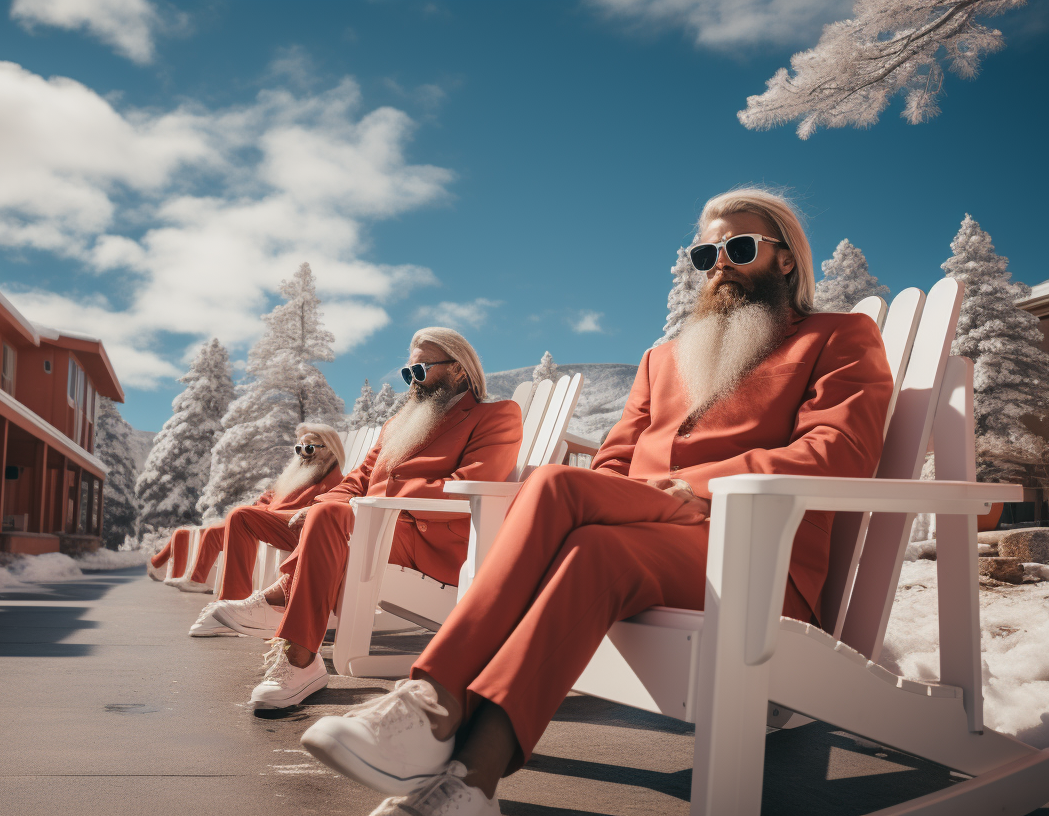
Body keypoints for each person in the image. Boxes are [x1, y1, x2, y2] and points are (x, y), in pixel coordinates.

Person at [298, 188, 895, 816]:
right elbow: (614, 457)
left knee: (554, 485)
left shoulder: (836, 338)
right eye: (705, 253)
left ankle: (433, 704)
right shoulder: (664, 360)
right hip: (644, 539)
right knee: (593, 550)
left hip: (755, 560)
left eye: (738, 247)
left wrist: (695, 486)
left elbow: (838, 449)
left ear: (785, 260)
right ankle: (470, 786)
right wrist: (640, 497)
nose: (719, 262)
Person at [211, 327, 524, 710]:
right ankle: (284, 616)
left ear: (458, 370)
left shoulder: (495, 416)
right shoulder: (400, 424)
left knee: (331, 515)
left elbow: (470, 485)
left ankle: (296, 649)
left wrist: (363, 504)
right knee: (273, 514)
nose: (412, 382)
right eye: (408, 374)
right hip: (370, 527)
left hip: (430, 539)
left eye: (420, 371)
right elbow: (359, 478)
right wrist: (323, 506)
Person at [180, 424, 347, 637]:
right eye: (299, 448)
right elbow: (275, 496)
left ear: (330, 449)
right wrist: (263, 505)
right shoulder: (299, 476)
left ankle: (233, 603)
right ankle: (232, 602)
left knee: (241, 516)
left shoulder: (333, 482)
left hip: (303, 530)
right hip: (280, 523)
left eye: (310, 448)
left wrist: (268, 513)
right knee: (236, 518)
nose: (303, 454)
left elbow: (320, 509)